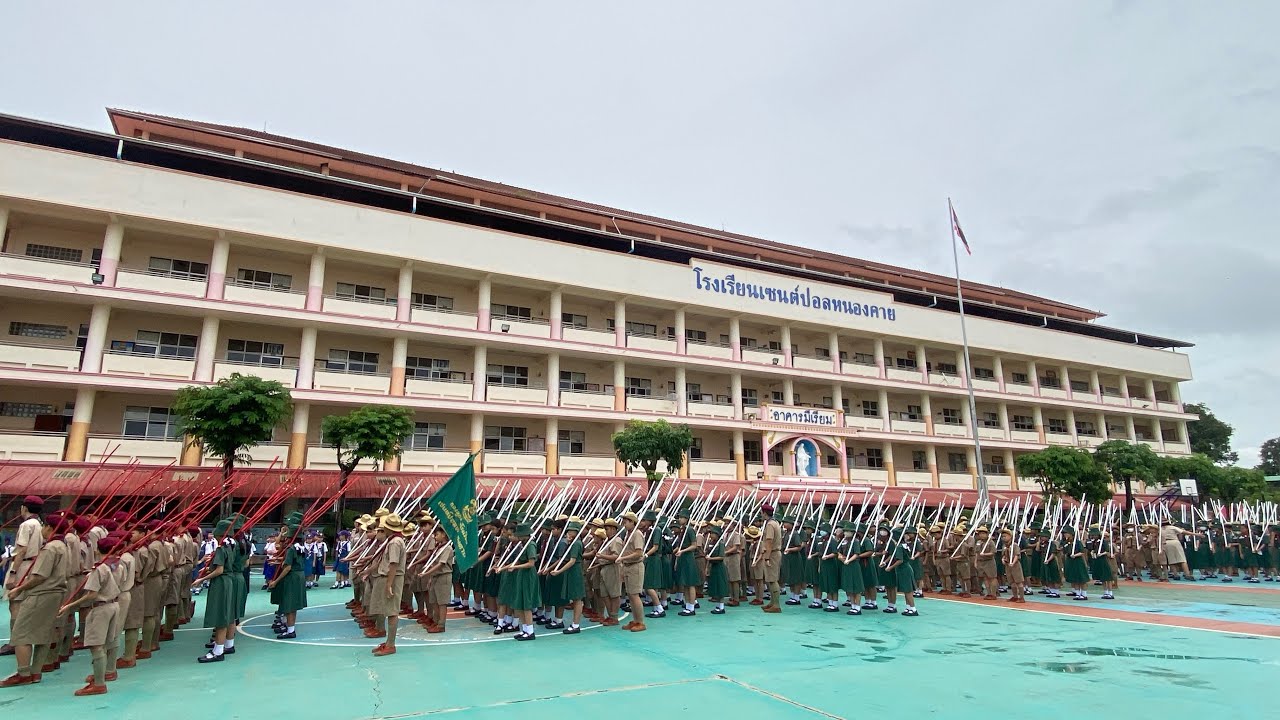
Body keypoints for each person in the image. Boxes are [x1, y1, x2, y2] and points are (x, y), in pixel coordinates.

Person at [2, 514, 66, 688]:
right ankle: (35, 672)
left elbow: (39, 576)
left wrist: (19, 589)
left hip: (42, 593)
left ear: (50, 528)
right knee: (43, 633)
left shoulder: (50, 548)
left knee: (20, 634)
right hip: (56, 593)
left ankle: (23, 673)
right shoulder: (63, 545)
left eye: (44, 526)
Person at [60, 535, 122, 695]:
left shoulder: (100, 568)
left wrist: (69, 605)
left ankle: (99, 683)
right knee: (109, 641)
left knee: (96, 645)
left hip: (100, 608)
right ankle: (106, 672)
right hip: (114, 604)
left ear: (97, 550)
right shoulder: (118, 566)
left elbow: (92, 594)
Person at [1, 496, 45, 658]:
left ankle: (16, 641)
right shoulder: (40, 523)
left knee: (16, 606)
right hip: (34, 566)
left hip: (22, 567)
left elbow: (22, 550)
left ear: (24, 508)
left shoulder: (27, 525)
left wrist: (13, 573)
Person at [368, 513, 409, 656]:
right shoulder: (393, 540)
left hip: (392, 578)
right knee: (388, 610)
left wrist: (389, 585)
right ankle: (388, 642)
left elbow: (393, 564)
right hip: (389, 577)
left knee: (392, 612)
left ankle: (391, 644)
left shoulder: (395, 542)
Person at [268, 513, 309, 640]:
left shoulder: (291, 548)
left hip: (292, 577)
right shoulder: (300, 546)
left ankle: (290, 630)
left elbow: (288, 567)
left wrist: (276, 581)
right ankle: (289, 627)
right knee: (293, 604)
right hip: (299, 576)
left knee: (289, 604)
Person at [497, 523, 541, 641]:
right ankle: (525, 630)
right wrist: (504, 567)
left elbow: (531, 563)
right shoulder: (522, 544)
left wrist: (515, 567)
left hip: (528, 575)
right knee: (519, 604)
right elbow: (518, 561)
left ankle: (530, 632)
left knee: (526, 604)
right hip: (522, 574)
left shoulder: (530, 545)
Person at [618, 511, 647, 632]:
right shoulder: (628, 534)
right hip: (628, 566)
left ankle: (640, 622)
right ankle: (635, 620)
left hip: (635, 566)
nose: (624, 524)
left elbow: (639, 552)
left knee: (635, 595)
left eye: (626, 522)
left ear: (632, 522)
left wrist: (623, 558)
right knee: (630, 595)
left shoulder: (637, 534)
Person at [423, 525, 454, 634]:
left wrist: (427, 573)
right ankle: (436, 622)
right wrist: (430, 577)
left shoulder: (447, 548)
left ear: (444, 535)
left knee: (442, 602)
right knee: (434, 601)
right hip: (435, 577)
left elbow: (441, 564)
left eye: (437, 535)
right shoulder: (439, 547)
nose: (435, 537)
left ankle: (441, 625)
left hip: (443, 576)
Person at [757, 504, 783, 613]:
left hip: (772, 554)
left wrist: (766, 557)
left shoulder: (770, 525)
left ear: (764, 513)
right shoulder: (775, 523)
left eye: (761, 512)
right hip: (773, 553)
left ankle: (776, 605)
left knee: (772, 580)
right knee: (770, 579)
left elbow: (769, 541)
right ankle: (772, 602)